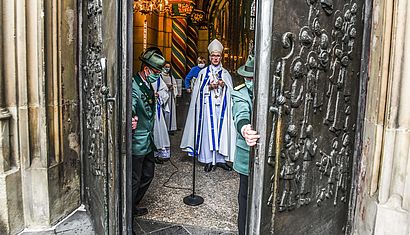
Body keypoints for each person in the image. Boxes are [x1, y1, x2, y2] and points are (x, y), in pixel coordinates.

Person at [180, 39, 236, 172]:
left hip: (221, 109)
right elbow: (197, 92)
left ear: (221, 57)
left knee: (221, 132)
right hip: (207, 109)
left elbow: (231, 91)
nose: (215, 58)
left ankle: (221, 160)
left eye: (218, 56)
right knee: (208, 133)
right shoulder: (202, 73)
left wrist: (224, 86)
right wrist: (208, 87)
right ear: (210, 57)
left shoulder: (226, 73)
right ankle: (209, 159)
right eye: (213, 56)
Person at [131, 47, 165, 217]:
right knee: (135, 179)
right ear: (146, 69)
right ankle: (128, 214)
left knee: (148, 174)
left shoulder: (146, 84)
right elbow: (129, 105)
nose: (158, 75)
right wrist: (130, 118)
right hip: (137, 142)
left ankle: (133, 204)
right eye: (156, 72)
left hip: (148, 141)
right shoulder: (134, 85)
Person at [231, 55, 260, 235]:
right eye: (246, 78)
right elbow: (240, 114)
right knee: (245, 197)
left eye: (252, 78)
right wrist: (245, 129)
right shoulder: (240, 92)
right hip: (246, 157)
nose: (249, 81)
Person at [152, 70, 171, 163]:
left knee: (158, 130)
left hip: (155, 106)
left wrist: (158, 95)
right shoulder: (141, 78)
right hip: (146, 108)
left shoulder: (158, 77)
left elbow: (164, 90)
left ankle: (156, 154)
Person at [161, 61, 178, 133]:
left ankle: (170, 128)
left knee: (170, 111)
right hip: (163, 96)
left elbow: (175, 84)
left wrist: (173, 87)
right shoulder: (160, 76)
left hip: (170, 95)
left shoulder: (171, 76)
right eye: (166, 67)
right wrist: (166, 87)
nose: (167, 68)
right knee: (164, 111)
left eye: (168, 67)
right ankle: (164, 129)